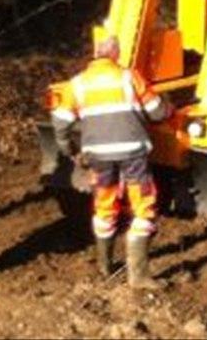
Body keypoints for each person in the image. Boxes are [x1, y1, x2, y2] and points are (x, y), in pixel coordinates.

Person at [49, 35, 171, 289]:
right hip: (133, 155)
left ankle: (105, 267)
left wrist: (70, 149)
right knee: (144, 208)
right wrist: (171, 109)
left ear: (96, 53)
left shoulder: (77, 84)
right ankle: (138, 276)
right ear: (116, 54)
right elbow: (157, 111)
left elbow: (60, 123)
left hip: (98, 157)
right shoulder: (129, 77)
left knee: (104, 207)